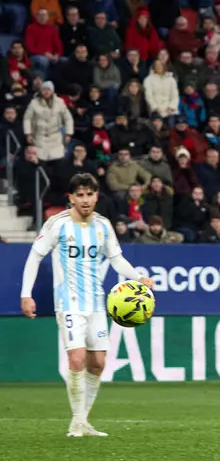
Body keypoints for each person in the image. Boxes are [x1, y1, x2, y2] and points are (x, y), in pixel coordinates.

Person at [18, 173, 155, 437]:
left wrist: (139, 278)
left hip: (96, 303)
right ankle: (77, 422)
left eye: (89, 194)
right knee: (77, 357)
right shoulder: (57, 224)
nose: (85, 200)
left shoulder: (103, 226)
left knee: (98, 363)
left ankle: (83, 420)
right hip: (68, 303)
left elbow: (117, 260)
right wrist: (27, 294)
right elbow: (34, 256)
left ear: (96, 196)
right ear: (70, 198)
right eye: (79, 195)